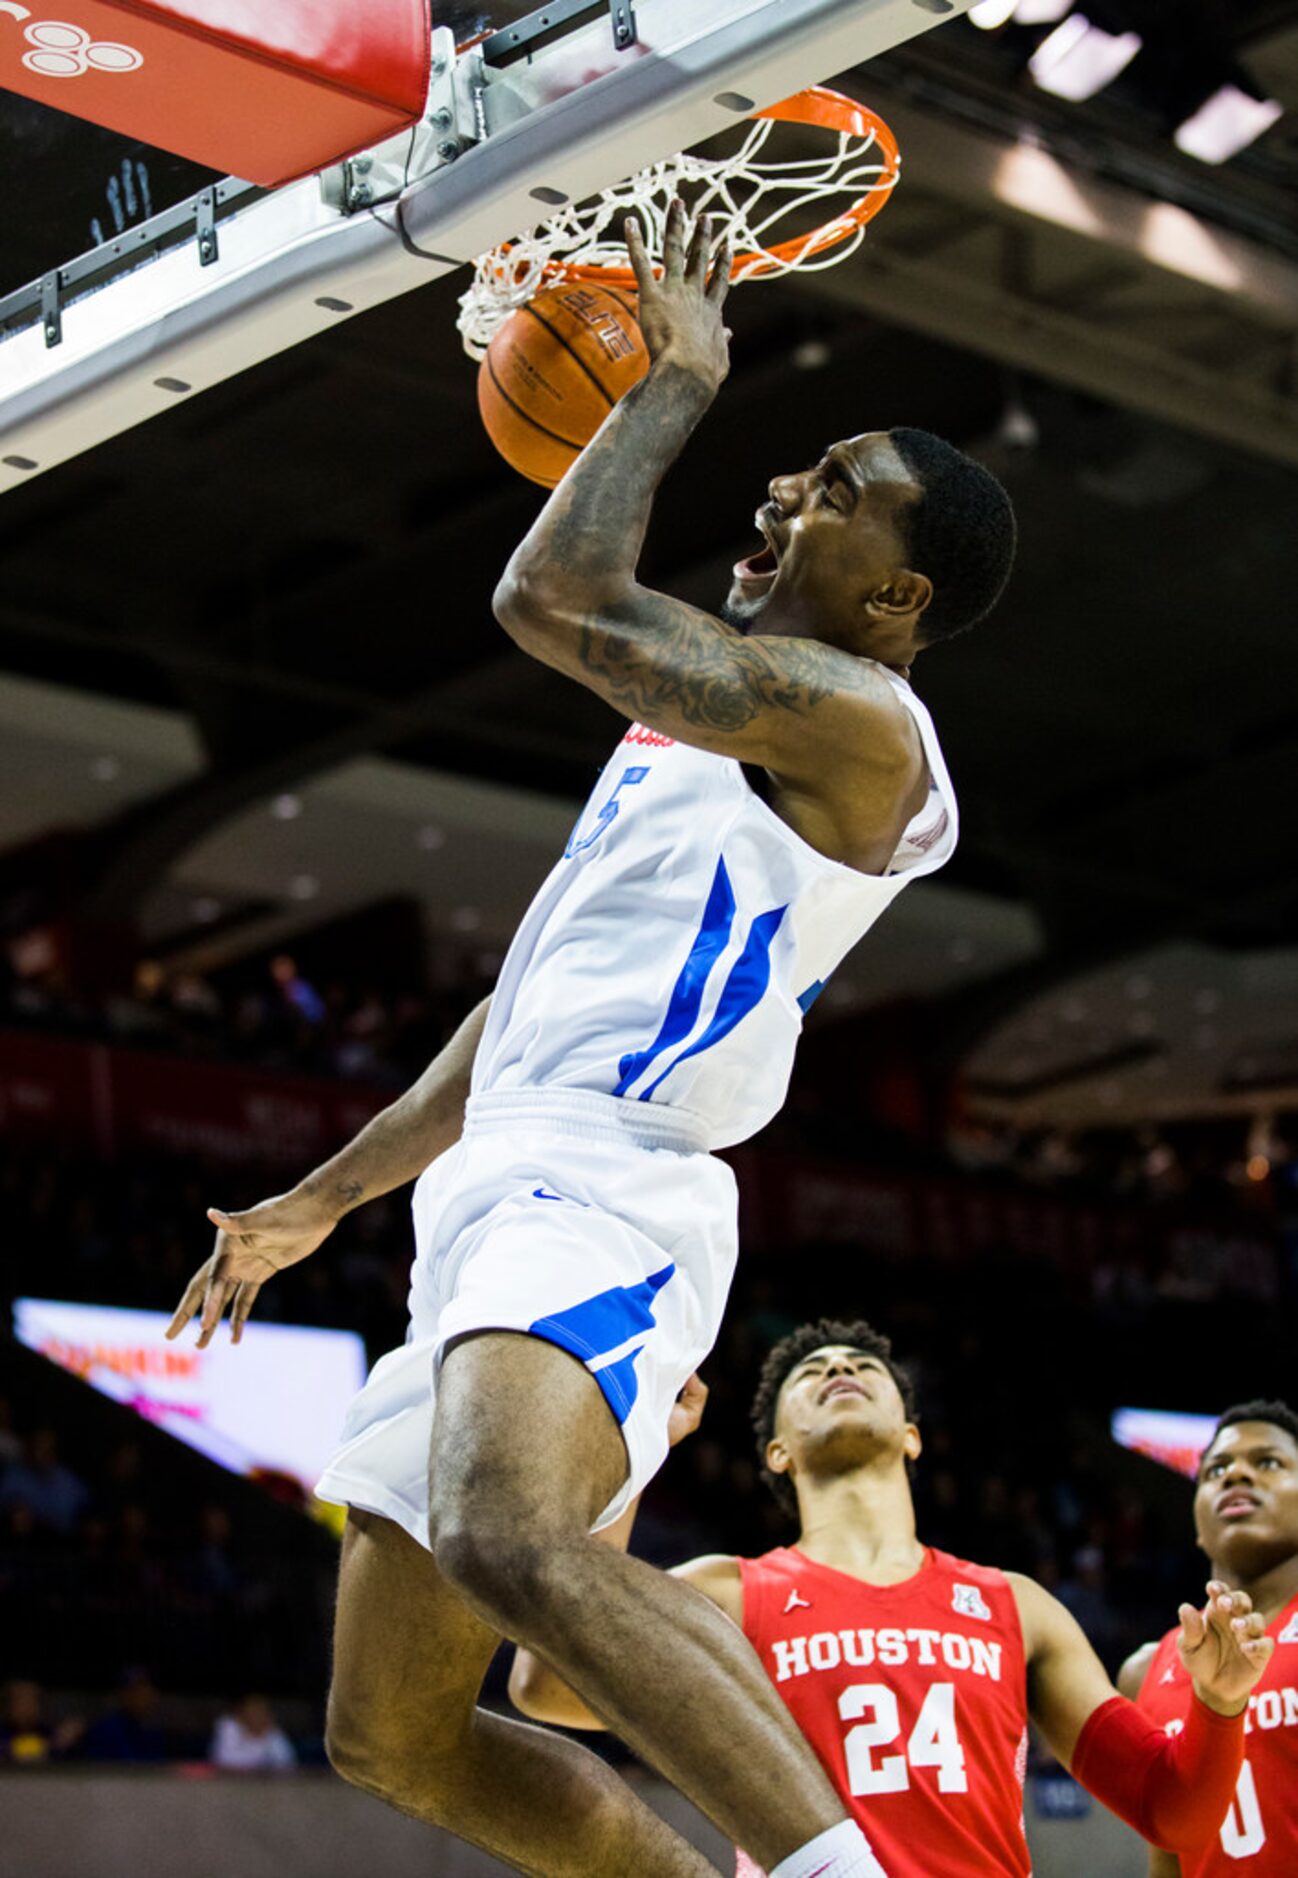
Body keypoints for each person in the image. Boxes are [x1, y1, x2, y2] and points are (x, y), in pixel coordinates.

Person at [166, 202, 1016, 1878]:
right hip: (503, 1176)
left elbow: (546, 590)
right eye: (798, 467)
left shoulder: (858, 722)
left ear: (898, 596)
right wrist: (324, 1199)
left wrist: (674, 379)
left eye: (832, 490)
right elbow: (521, 1011)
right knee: (389, 1731)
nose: (782, 492)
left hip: (614, 1189)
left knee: (510, 1532)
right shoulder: (704, 733)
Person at [512, 1320, 1273, 1876]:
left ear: (911, 1435)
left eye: (860, 1363)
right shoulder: (730, 1593)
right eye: (811, 1373)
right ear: (777, 1450)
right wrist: (635, 1451)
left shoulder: (1018, 1605)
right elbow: (545, 1683)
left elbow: (1171, 1811)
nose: (839, 1366)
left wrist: (1221, 1704)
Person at [1119, 1399, 1298, 1875]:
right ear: (1197, 1523)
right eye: (1216, 1469)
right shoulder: (1143, 1672)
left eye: (1268, 1462)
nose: (1236, 1475)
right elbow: (1167, 1858)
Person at [210, 1694, 298, 1772]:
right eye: (252, 1709)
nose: (257, 1715)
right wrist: (261, 1742)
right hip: (228, 1781)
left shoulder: (270, 1729)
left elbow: (287, 1761)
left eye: (261, 1710)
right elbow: (225, 1760)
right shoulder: (228, 1725)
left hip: (262, 1782)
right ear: (242, 1712)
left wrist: (267, 1735)